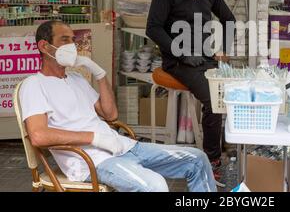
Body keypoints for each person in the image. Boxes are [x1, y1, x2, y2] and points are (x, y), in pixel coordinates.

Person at [19, 20, 216, 192]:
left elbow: (111, 114)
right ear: (44, 46)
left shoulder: (77, 79)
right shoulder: (34, 85)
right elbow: (39, 136)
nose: (72, 45)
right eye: (65, 40)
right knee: (154, 186)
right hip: (93, 161)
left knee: (197, 159)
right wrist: (95, 139)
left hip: (124, 146)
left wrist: (100, 75)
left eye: (73, 39)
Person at [147, 0, 236, 181]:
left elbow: (229, 19)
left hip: (204, 58)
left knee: (233, 90)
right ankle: (212, 161)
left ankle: (229, 147)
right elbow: (153, 28)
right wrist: (181, 52)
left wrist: (224, 50)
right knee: (213, 99)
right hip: (177, 61)